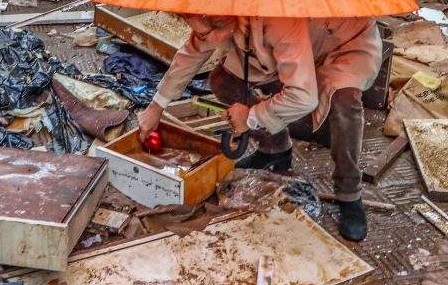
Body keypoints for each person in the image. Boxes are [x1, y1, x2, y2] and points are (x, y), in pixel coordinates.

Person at [137, 15, 382, 241]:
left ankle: (349, 191)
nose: (203, 40)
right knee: (222, 80)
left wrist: (252, 117)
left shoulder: (278, 19)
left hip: (341, 43)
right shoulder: (228, 13)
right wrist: (156, 107)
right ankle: (275, 150)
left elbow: (304, 97)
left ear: (227, 19)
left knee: (344, 100)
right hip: (299, 37)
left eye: (205, 32)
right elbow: (192, 52)